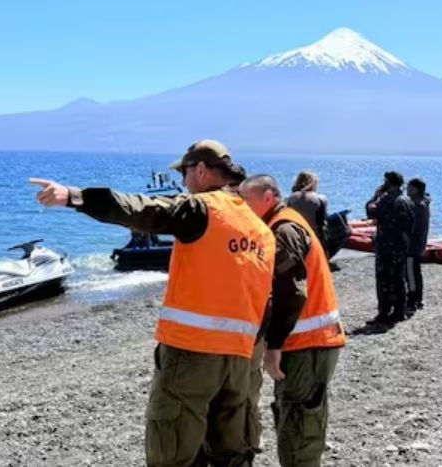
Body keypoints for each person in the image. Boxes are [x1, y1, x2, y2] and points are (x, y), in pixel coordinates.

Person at [30, 140, 274, 467]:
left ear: (200, 170)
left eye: (186, 173)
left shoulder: (201, 209)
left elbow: (142, 208)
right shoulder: (259, 229)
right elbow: (263, 299)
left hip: (191, 355)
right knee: (231, 454)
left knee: (171, 452)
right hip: (241, 360)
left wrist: (75, 196)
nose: (185, 183)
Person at [240, 175, 345, 467]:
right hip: (306, 341)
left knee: (299, 426)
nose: (243, 208)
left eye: (246, 201)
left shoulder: (283, 229)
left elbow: (290, 293)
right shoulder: (283, 223)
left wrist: (273, 346)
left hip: (308, 342)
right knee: (294, 417)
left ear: (268, 198)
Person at [364, 171, 414, 328]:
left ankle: (384, 312)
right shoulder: (407, 200)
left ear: (389, 183)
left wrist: (375, 196)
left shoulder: (387, 199)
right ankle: (399, 310)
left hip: (387, 245)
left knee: (384, 280)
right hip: (402, 245)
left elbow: (371, 211)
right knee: (399, 278)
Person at [285, 170, 330, 256]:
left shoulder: (290, 199)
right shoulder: (321, 198)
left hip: (296, 237)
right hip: (315, 237)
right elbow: (324, 221)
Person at [406, 178, 431, 315]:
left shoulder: (417, 205)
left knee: (411, 274)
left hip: (412, 246)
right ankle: (418, 299)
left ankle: (412, 301)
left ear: (416, 189)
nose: (407, 190)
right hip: (418, 244)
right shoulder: (423, 203)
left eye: (409, 187)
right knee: (415, 272)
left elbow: (413, 227)